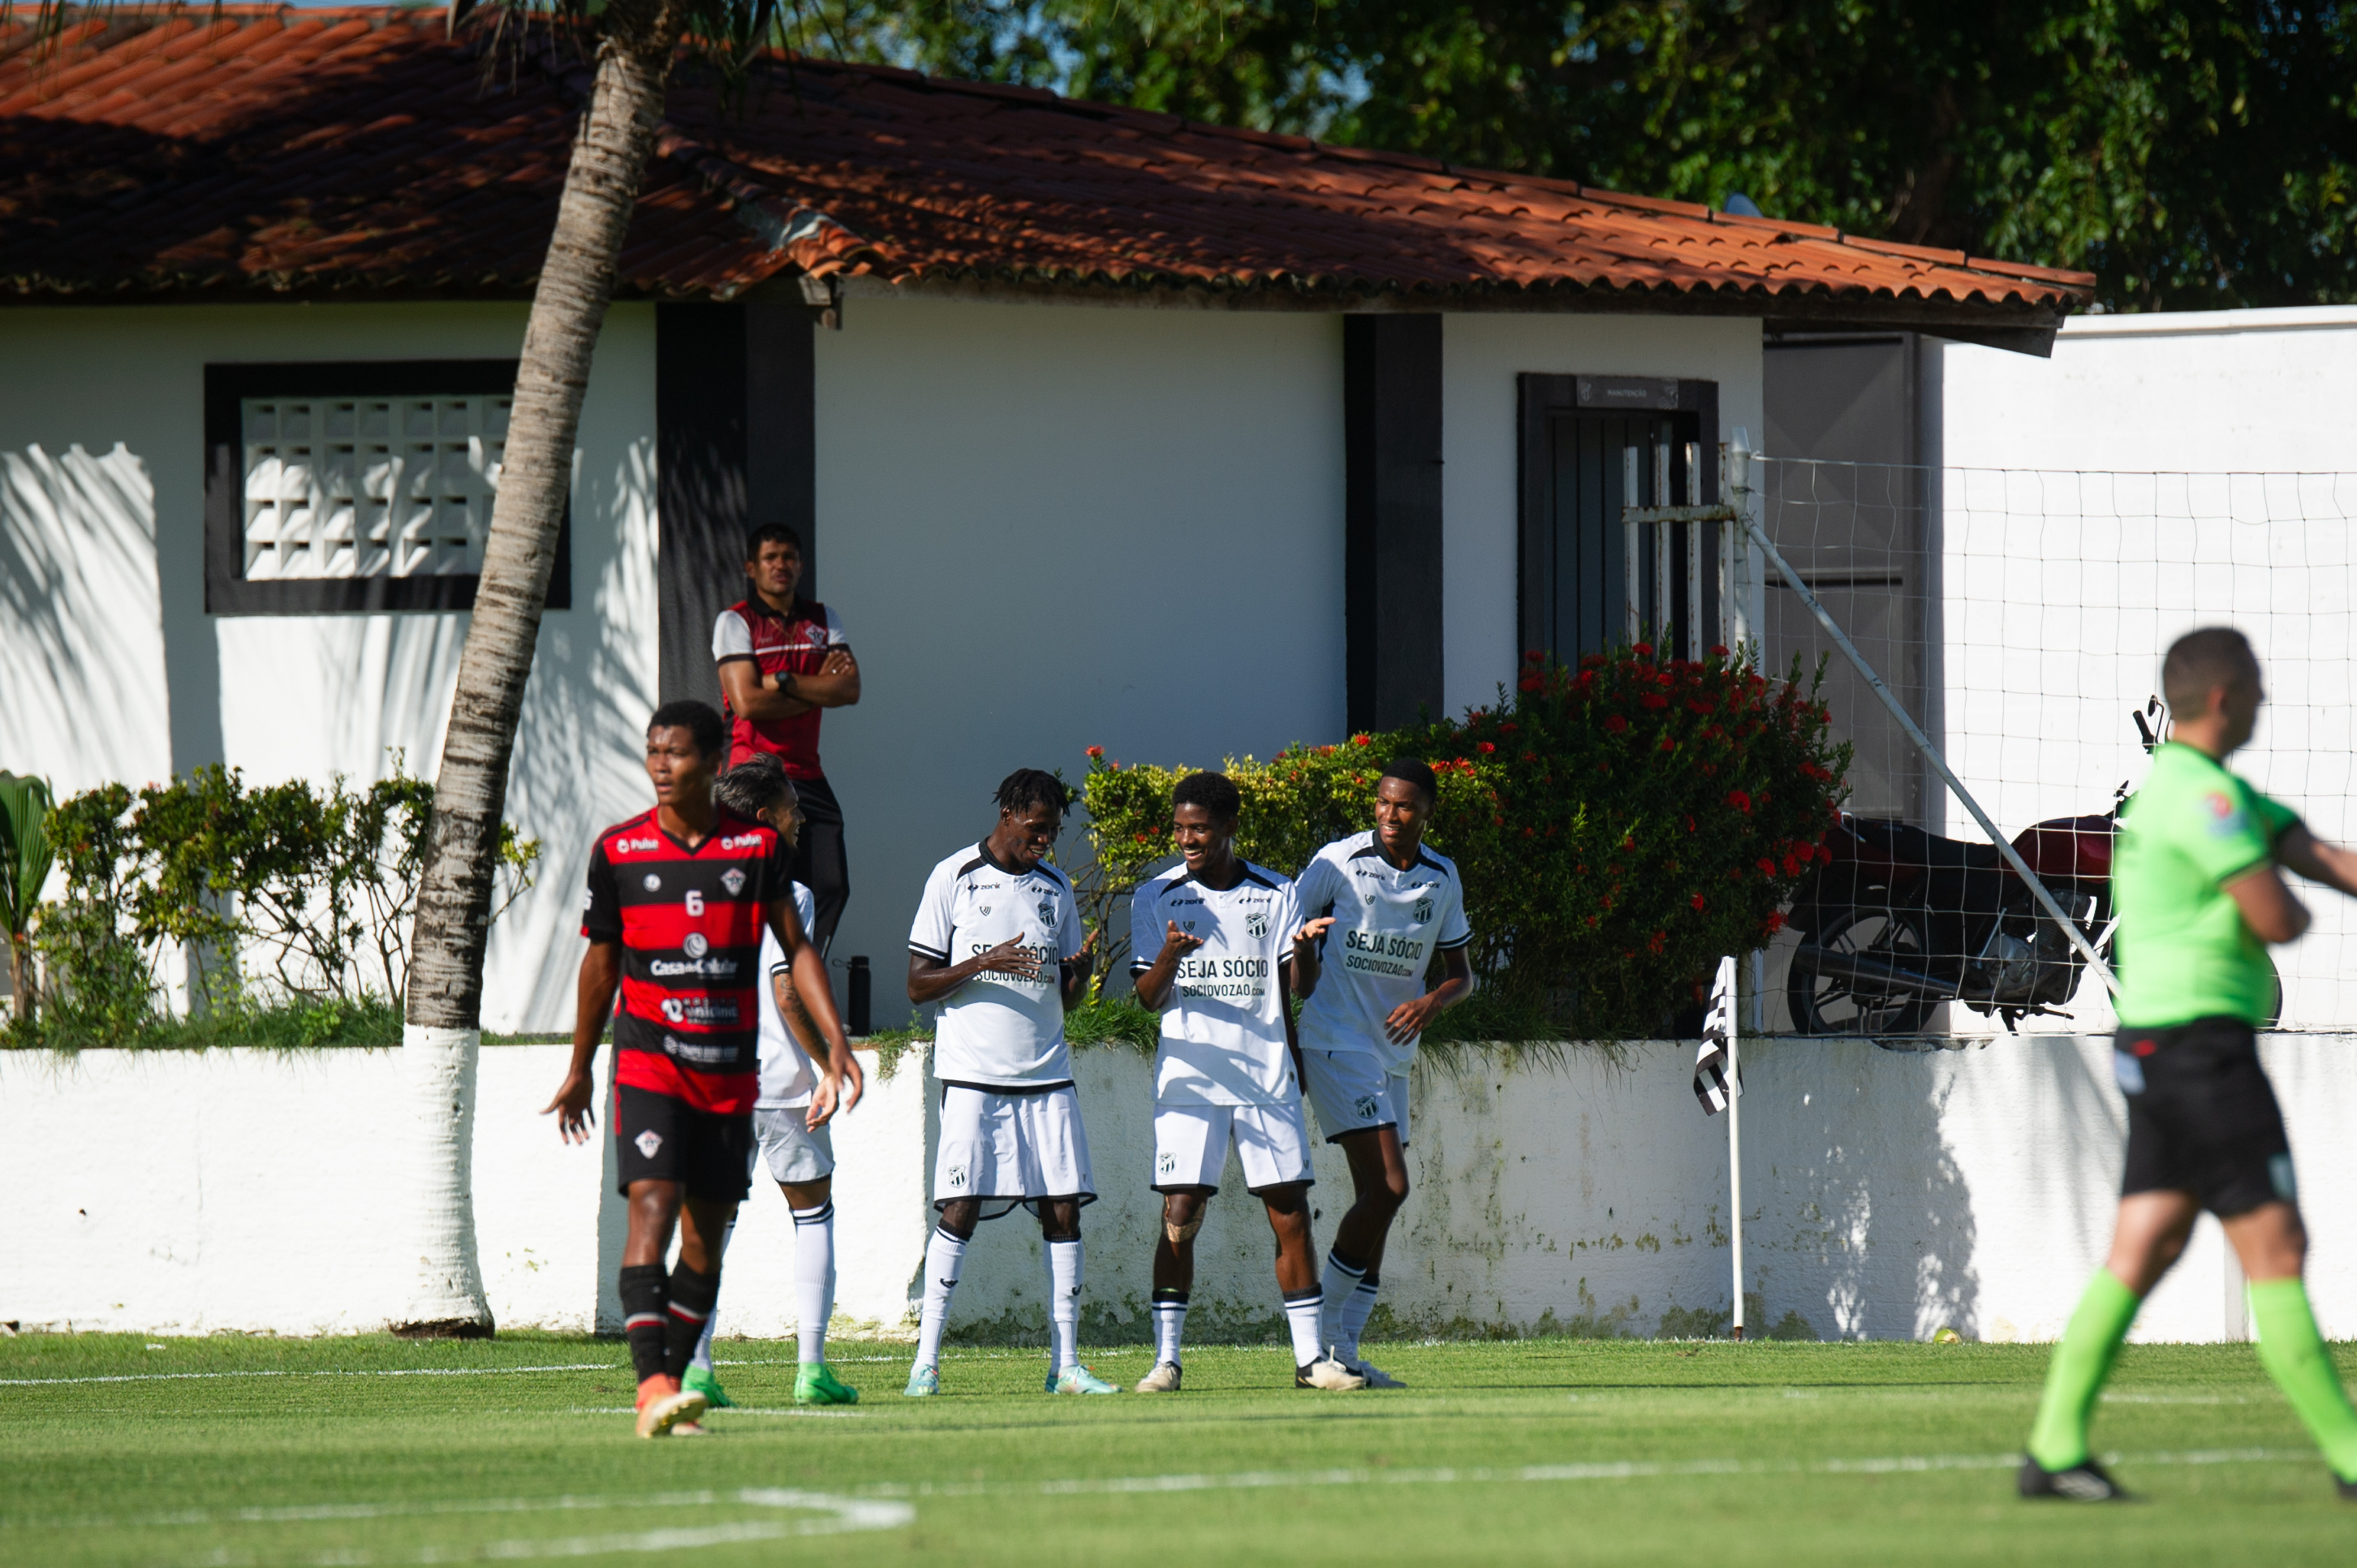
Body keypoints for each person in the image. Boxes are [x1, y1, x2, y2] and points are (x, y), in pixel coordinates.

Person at [2019, 627, 2357, 1502]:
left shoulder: (2202, 791)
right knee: (2277, 1245)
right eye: (2255, 687)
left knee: (2144, 1248)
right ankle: (2353, 1460)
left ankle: (2054, 1451)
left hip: (2159, 1050)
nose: (2264, 700)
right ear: (2222, 700)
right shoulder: (2204, 803)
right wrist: (2288, 902)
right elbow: (2282, 917)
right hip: (2205, 1052)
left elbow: (2323, 859)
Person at [541, 700, 851, 1439]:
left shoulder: (758, 854)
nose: (659, 765)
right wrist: (581, 1065)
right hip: (651, 1067)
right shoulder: (617, 851)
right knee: (651, 1212)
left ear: (712, 763)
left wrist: (836, 1045)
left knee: (707, 1237)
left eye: (674, 752)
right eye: (652, 751)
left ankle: (683, 1376)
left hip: (732, 1075)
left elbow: (796, 955)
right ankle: (657, 1386)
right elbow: (600, 964)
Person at [1127, 770, 1363, 1394]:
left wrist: (1308, 947)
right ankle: (1166, 1361)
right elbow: (1146, 1000)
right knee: (1180, 1213)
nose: (1187, 839)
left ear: (1230, 827)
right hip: (1189, 1081)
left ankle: (1311, 1362)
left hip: (1264, 1078)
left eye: (1199, 828)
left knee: (1289, 1214)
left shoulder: (1278, 892)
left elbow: (1299, 987)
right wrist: (1173, 955)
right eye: (1179, 828)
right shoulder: (1155, 895)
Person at [903, 769, 1114, 1397]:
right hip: (973, 1076)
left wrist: (1079, 971)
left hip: (1047, 1075)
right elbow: (917, 985)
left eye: (1052, 830)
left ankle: (1067, 1364)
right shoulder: (954, 877)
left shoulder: (1055, 888)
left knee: (1063, 1211)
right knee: (960, 1209)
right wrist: (984, 961)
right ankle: (926, 1363)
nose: (1045, 841)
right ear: (1008, 814)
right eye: (1036, 828)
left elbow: (1067, 999)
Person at [679, 752, 866, 1409]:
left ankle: (696, 1368)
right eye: (792, 809)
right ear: (765, 818)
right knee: (812, 1213)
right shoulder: (789, 892)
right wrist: (830, 1065)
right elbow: (787, 992)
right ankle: (812, 1370)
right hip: (779, 1084)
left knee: (712, 1223)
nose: (799, 822)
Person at [1291, 759, 1474, 1387]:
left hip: (1393, 1053)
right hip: (1336, 1041)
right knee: (1392, 1187)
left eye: (1404, 807)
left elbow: (1461, 974)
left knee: (1380, 1201)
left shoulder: (1441, 876)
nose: (1390, 817)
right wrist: (1301, 953)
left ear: (1427, 812)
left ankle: (1345, 1349)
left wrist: (1431, 1002)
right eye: (1383, 804)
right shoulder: (1337, 861)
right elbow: (1287, 933)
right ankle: (1316, 1341)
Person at [713, 522, 859, 957]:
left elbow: (849, 691)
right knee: (749, 879)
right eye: (771, 557)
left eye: (790, 557)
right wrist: (815, 687)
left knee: (831, 883)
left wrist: (782, 680)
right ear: (751, 567)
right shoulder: (736, 621)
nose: (782, 565)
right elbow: (747, 702)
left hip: (806, 773)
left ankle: (802, 975)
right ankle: (749, 975)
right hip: (751, 773)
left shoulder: (823, 619)